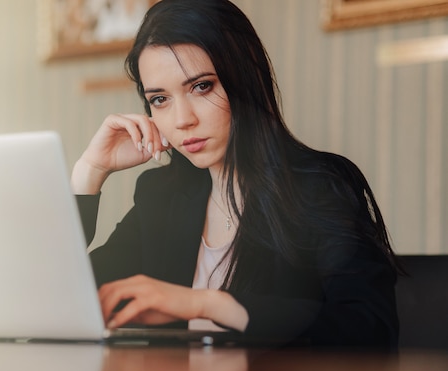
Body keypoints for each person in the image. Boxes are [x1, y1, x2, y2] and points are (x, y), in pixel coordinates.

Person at [71, 0, 400, 350]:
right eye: (160, 99)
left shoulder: (320, 186)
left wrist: (205, 303)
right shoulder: (160, 195)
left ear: (245, 78)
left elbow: (370, 330)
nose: (183, 119)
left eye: (201, 87)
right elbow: (63, 298)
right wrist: (90, 173)